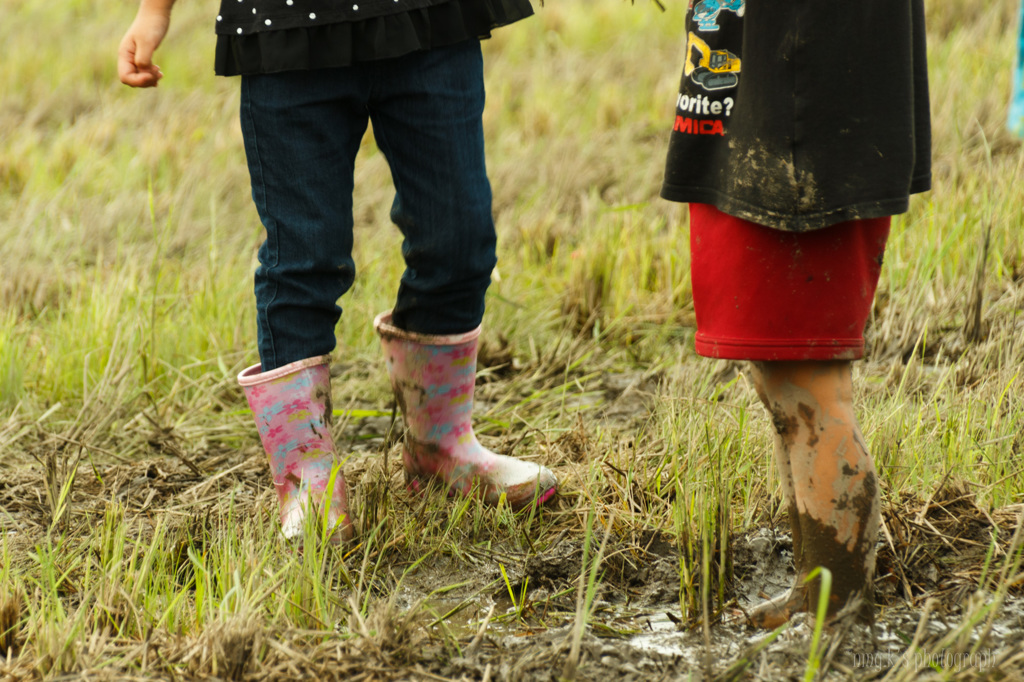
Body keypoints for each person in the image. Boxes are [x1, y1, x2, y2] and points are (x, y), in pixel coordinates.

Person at [118, 0, 557, 543]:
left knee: (460, 240)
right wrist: (154, 12)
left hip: (429, 16)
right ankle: (309, 483)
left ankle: (441, 450)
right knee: (304, 258)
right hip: (284, 25)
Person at [661, 0, 931, 625]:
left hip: (807, 118)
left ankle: (839, 617)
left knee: (808, 387)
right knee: (779, 376)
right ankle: (819, 593)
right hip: (753, 93)